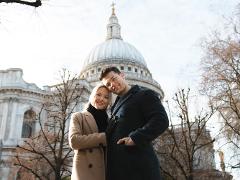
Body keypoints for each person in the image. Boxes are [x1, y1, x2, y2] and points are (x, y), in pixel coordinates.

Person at [100, 66, 169, 180]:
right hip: (118, 171)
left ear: (122, 75)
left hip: (139, 169)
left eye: (114, 78)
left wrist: (136, 138)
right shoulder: (114, 107)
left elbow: (161, 120)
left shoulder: (144, 94)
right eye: (108, 84)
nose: (112, 84)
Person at [68, 84, 111, 180]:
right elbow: (74, 141)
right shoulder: (78, 116)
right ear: (92, 96)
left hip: (107, 172)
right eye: (98, 94)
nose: (101, 99)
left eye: (106, 97)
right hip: (86, 173)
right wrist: (104, 137)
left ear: (109, 101)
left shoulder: (110, 122)